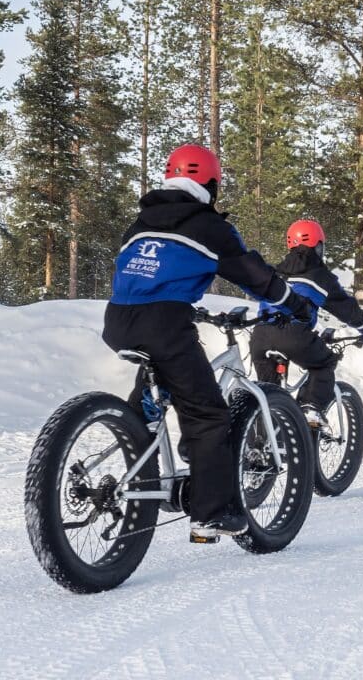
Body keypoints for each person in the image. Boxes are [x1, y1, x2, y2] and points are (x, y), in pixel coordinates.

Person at [102, 144, 313, 540]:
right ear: (211, 185)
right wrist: (294, 303)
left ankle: (141, 446)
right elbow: (255, 275)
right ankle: (209, 512)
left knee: (160, 387)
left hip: (118, 319)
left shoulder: (141, 223)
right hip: (164, 322)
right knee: (208, 416)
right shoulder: (207, 225)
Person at [250, 219, 363, 426]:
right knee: (324, 363)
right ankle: (311, 407)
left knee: (268, 399)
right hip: (294, 334)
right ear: (318, 246)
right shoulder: (320, 276)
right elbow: (346, 309)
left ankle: (262, 446)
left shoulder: (277, 272)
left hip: (260, 335)